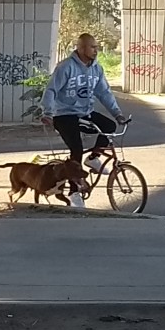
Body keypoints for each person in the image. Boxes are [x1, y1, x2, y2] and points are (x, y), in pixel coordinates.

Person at [40, 33, 127, 208]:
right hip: (63, 114)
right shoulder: (66, 67)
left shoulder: (97, 69)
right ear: (81, 48)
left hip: (84, 112)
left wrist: (117, 113)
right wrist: (48, 112)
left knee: (109, 125)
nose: (96, 51)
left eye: (96, 47)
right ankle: (74, 192)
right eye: (92, 47)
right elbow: (51, 90)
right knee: (76, 149)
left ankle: (94, 157)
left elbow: (104, 92)